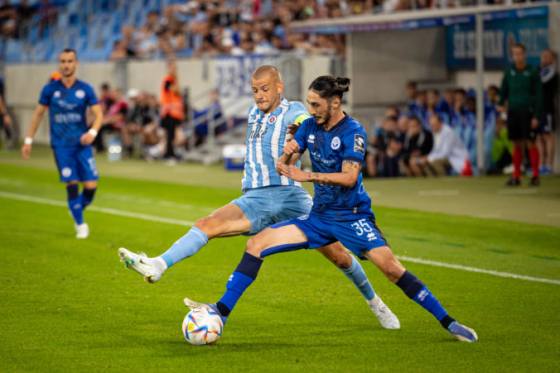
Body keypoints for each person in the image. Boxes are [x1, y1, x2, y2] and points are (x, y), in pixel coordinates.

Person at [183, 75, 477, 343]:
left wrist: (307, 175)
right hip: (319, 217)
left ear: (335, 103)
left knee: (390, 269)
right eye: (309, 103)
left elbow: (350, 177)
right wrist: (285, 156)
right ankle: (220, 311)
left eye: (315, 104)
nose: (310, 109)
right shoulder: (310, 125)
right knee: (256, 244)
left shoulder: (353, 132)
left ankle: (449, 322)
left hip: (352, 217)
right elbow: (292, 150)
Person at [118, 66, 400, 329]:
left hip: (291, 196)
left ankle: (375, 302)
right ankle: (158, 264)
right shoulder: (254, 115)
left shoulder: (295, 110)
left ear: (279, 87)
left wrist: (299, 132)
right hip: (257, 198)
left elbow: (305, 122)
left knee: (339, 257)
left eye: (265, 89)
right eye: (255, 90)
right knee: (208, 224)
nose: (259, 95)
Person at [21, 48, 103, 239]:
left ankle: (75, 208)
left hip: (82, 145)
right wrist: (28, 140)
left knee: (91, 186)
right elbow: (38, 115)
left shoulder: (86, 89)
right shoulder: (50, 89)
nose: (66, 65)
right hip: (61, 146)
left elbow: (99, 115)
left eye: (69, 61)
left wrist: (92, 132)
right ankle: (80, 224)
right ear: (60, 64)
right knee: (72, 183)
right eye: (63, 61)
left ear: (76, 64)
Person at [498, 43, 542, 186]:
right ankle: (516, 175)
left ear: (525, 55)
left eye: (520, 53)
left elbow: (539, 95)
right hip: (513, 112)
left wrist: (536, 115)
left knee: (530, 142)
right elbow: (503, 91)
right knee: (516, 143)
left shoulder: (533, 72)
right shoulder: (509, 72)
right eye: (515, 54)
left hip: (527, 112)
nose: (517, 56)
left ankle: (535, 175)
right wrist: (500, 104)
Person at [160, 59, 185, 163]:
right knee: (170, 135)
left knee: (172, 135)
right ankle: (169, 155)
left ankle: (170, 153)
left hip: (174, 113)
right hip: (169, 112)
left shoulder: (172, 80)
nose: (174, 70)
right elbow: (176, 90)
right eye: (172, 67)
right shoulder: (169, 80)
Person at [538, 48, 558, 175]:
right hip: (537, 108)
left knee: (548, 135)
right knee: (539, 136)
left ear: (553, 59)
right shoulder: (539, 71)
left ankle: (550, 165)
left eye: (547, 56)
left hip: (547, 108)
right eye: (543, 56)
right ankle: (541, 164)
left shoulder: (553, 73)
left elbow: (540, 82)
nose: (544, 58)